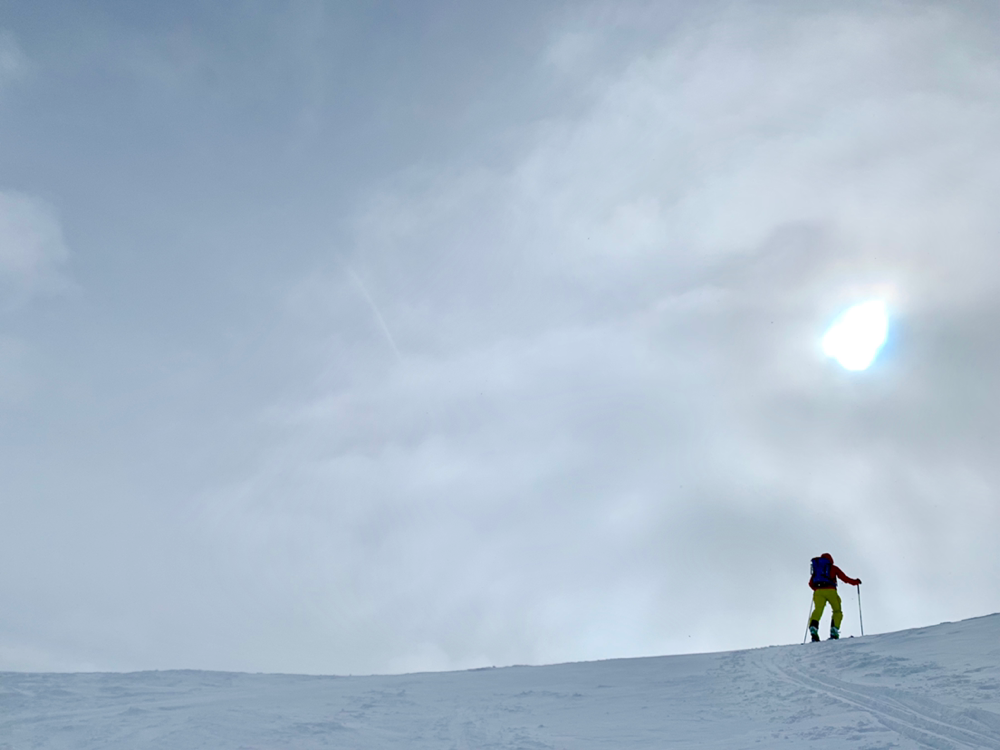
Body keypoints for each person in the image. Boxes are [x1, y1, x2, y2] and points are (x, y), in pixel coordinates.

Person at [808, 553, 861, 641]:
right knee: (837, 611)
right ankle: (834, 629)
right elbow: (845, 578)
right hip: (831, 591)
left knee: (818, 610)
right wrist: (855, 582)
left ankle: (813, 627)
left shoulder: (817, 570)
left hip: (818, 592)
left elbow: (810, 583)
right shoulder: (833, 568)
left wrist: (817, 589)